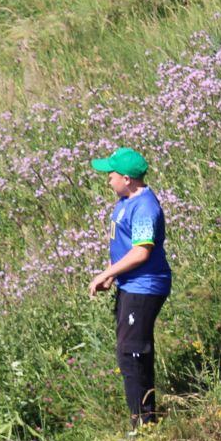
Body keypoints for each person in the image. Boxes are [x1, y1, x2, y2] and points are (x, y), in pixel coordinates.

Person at [86, 147, 172, 425]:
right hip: (130, 283)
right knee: (129, 350)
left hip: (145, 286)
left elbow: (141, 251)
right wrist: (114, 275)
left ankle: (144, 424)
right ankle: (144, 419)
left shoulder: (145, 206)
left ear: (126, 178)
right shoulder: (125, 200)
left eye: (110, 173)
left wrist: (105, 273)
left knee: (132, 352)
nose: (107, 177)